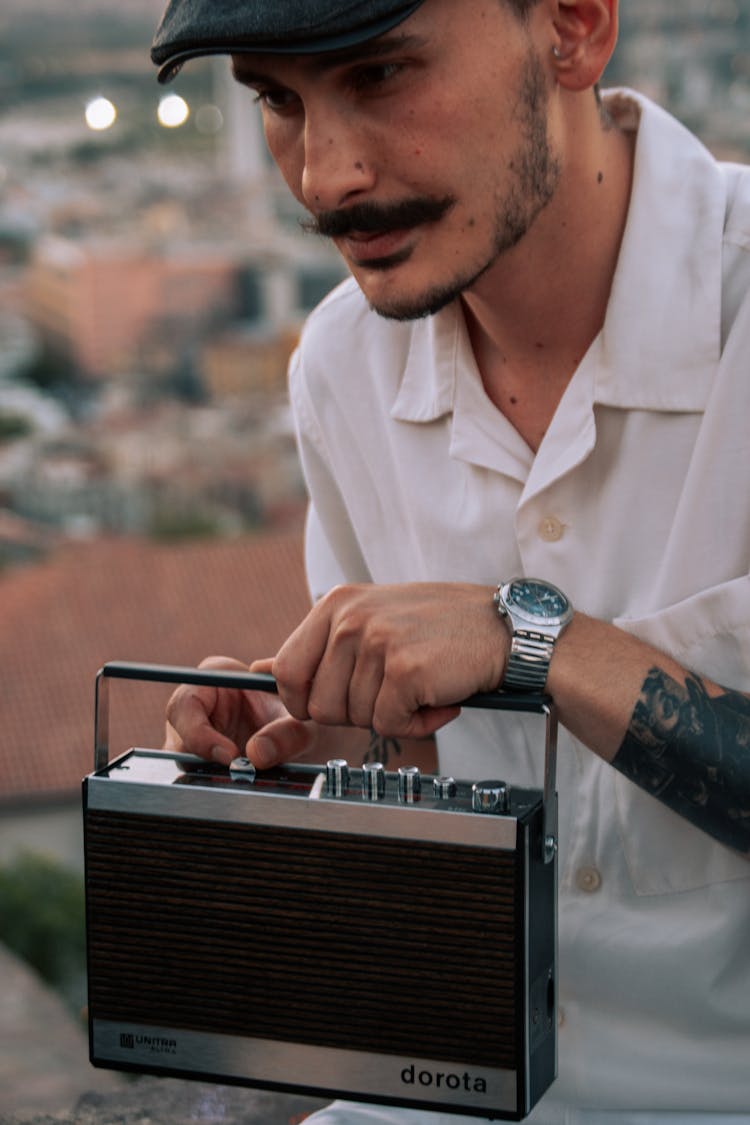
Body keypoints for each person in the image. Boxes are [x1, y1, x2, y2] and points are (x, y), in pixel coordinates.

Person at [151, 1, 750, 1122]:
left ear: (572, 26)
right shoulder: (342, 362)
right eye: (278, 100)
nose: (324, 176)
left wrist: (537, 643)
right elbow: (427, 826)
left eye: (378, 74)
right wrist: (324, 745)